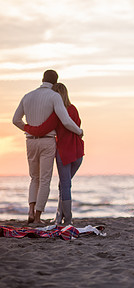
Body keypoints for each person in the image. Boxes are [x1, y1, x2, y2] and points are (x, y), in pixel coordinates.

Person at [12, 70, 83, 224]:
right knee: (45, 180)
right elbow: (65, 121)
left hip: (29, 141)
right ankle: (38, 217)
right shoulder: (54, 96)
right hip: (47, 141)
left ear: (42, 79)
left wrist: (28, 129)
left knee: (34, 178)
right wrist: (79, 131)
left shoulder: (27, 96)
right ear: (55, 81)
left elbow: (15, 120)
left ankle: (30, 212)